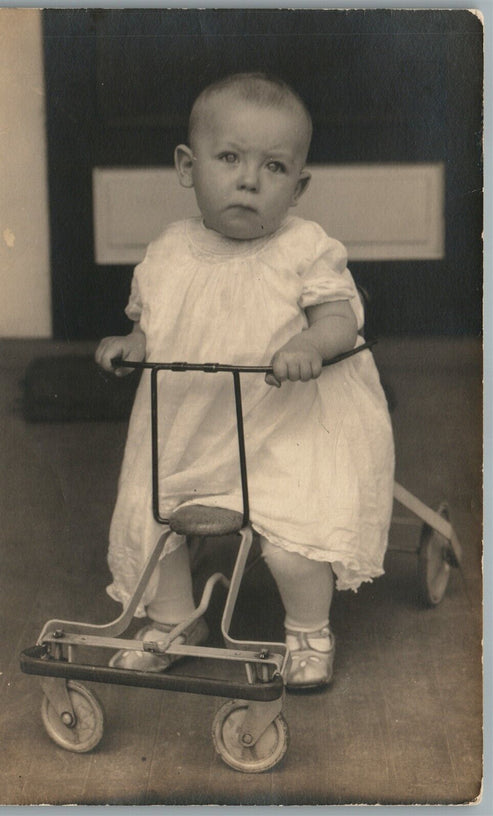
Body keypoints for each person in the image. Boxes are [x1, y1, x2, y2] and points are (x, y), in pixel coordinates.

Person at [95, 72, 394, 689]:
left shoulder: (305, 248)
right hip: (188, 426)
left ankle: (309, 629)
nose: (249, 180)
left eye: (275, 167)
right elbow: (156, 327)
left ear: (298, 185)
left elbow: (341, 318)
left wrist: (310, 343)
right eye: (229, 158)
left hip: (285, 425)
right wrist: (132, 346)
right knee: (157, 522)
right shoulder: (169, 252)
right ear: (188, 164)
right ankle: (174, 620)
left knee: (293, 539)